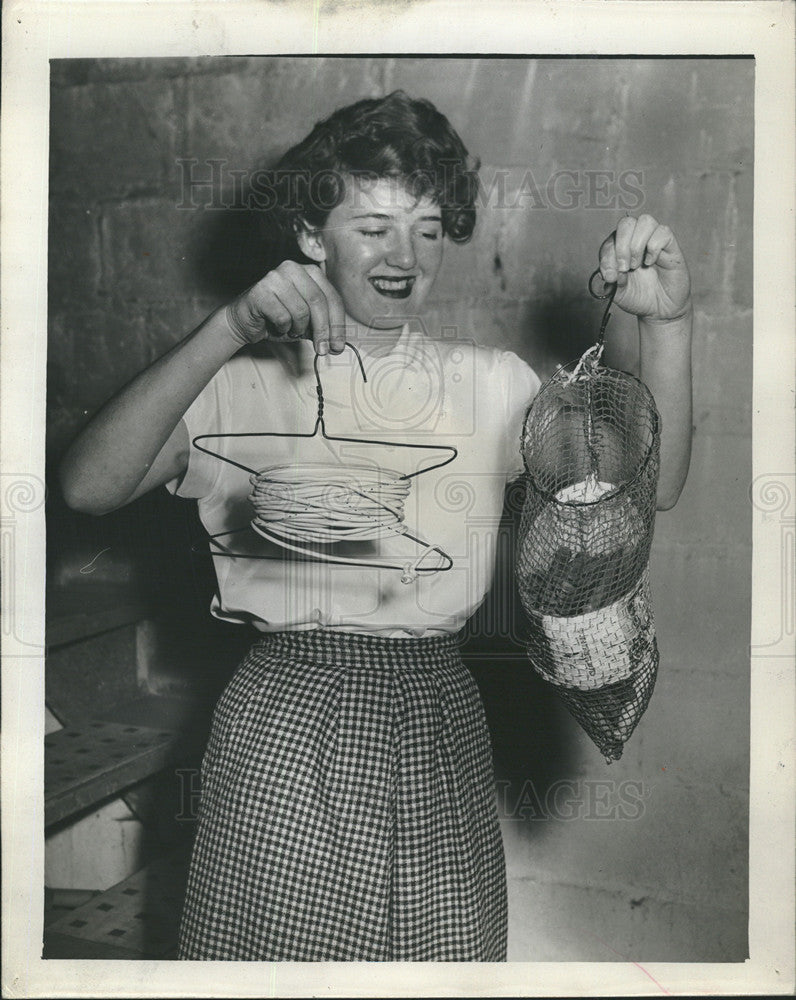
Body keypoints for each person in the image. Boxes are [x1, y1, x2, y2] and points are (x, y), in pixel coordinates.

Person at [59, 90, 693, 961]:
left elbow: (645, 490)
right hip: (287, 724)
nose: (406, 255)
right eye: (375, 226)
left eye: (429, 228)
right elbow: (90, 487)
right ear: (312, 237)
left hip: (440, 715)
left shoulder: (492, 384)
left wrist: (665, 324)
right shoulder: (242, 383)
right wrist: (227, 328)